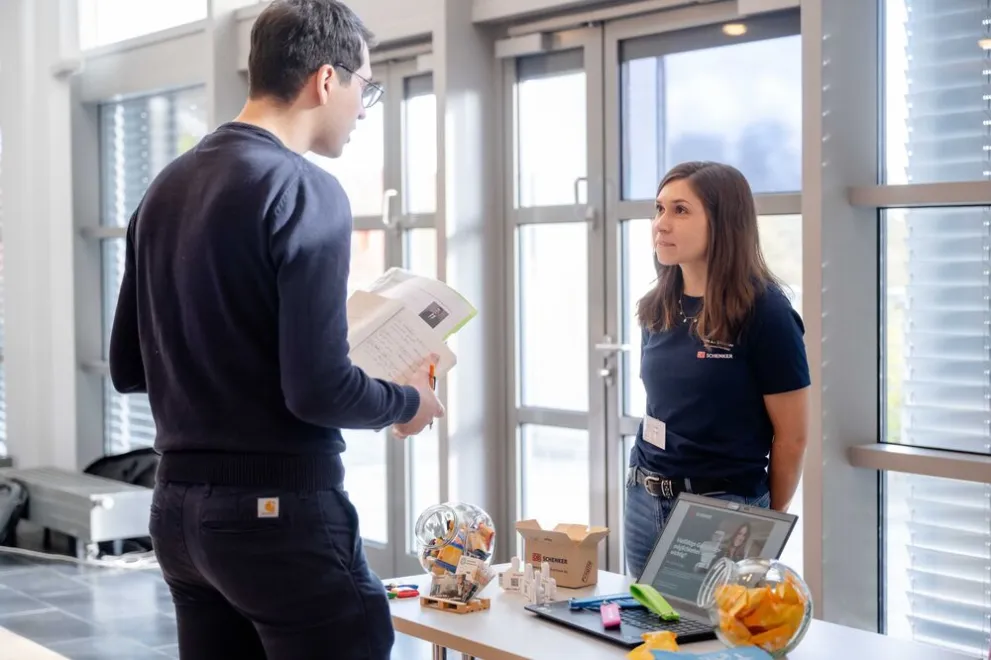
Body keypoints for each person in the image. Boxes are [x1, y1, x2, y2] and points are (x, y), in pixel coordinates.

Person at [108, 1, 444, 658]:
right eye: (364, 86)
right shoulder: (302, 187)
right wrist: (407, 401)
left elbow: (128, 367)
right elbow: (316, 391)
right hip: (277, 515)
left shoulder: (164, 188)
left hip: (178, 518)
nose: (362, 105)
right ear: (325, 80)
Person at [624, 161, 809, 579]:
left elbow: (793, 436)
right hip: (644, 495)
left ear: (723, 222)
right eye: (659, 209)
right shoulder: (658, 306)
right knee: (645, 636)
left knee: (711, 637)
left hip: (721, 511)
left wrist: (763, 520)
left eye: (680, 211)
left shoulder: (767, 313)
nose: (661, 224)